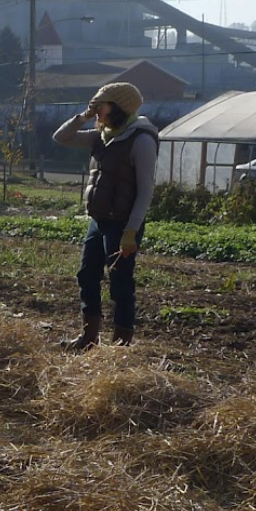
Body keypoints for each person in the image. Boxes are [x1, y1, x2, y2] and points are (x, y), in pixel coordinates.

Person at [53, 82, 159, 348]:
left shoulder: (141, 139)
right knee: (87, 275)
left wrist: (131, 232)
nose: (97, 109)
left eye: (102, 104)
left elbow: (146, 191)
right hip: (99, 220)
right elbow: (61, 138)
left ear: (119, 107)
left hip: (123, 224)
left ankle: (120, 346)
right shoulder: (102, 135)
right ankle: (89, 338)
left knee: (120, 283)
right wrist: (84, 116)